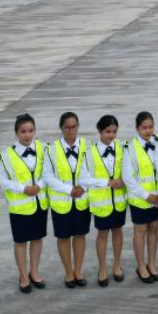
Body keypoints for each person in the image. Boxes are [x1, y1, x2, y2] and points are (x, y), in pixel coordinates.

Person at [0, 114, 48, 293]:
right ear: (16, 132)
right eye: (23, 131)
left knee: (37, 239)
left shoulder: (43, 148)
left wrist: (39, 185)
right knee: (20, 242)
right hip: (20, 205)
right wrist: (23, 188)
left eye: (30, 131)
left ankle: (34, 271)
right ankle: (23, 275)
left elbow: (50, 172)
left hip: (40, 202)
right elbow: (1, 179)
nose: (27, 135)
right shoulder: (6, 154)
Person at [44, 112, 92, 288]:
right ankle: (68, 272)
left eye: (74, 127)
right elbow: (47, 176)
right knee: (63, 237)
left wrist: (83, 188)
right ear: (61, 128)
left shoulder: (87, 147)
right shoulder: (52, 149)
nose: (71, 130)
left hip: (81, 201)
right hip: (61, 202)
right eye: (67, 127)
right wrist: (69, 190)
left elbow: (93, 171)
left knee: (80, 236)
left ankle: (79, 270)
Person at [123, 111, 158, 283]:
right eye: (144, 127)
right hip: (140, 199)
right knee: (140, 231)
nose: (148, 130)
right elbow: (128, 177)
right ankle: (141, 266)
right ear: (137, 129)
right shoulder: (130, 147)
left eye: (150, 127)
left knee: (154, 229)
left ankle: (152, 264)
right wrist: (146, 196)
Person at [88, 115, 128, 287]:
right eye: (107, 131)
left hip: (119, 200)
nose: (111, 135)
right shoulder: (90, 152)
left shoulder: (123, 147)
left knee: (118, 232)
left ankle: (117, 264)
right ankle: (102, 268)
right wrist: (106, 183)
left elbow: (129, 169)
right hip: (101, 201)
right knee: (102, 235)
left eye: (114, 131)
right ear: (99, 131)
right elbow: (86, 177)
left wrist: (123, 180)